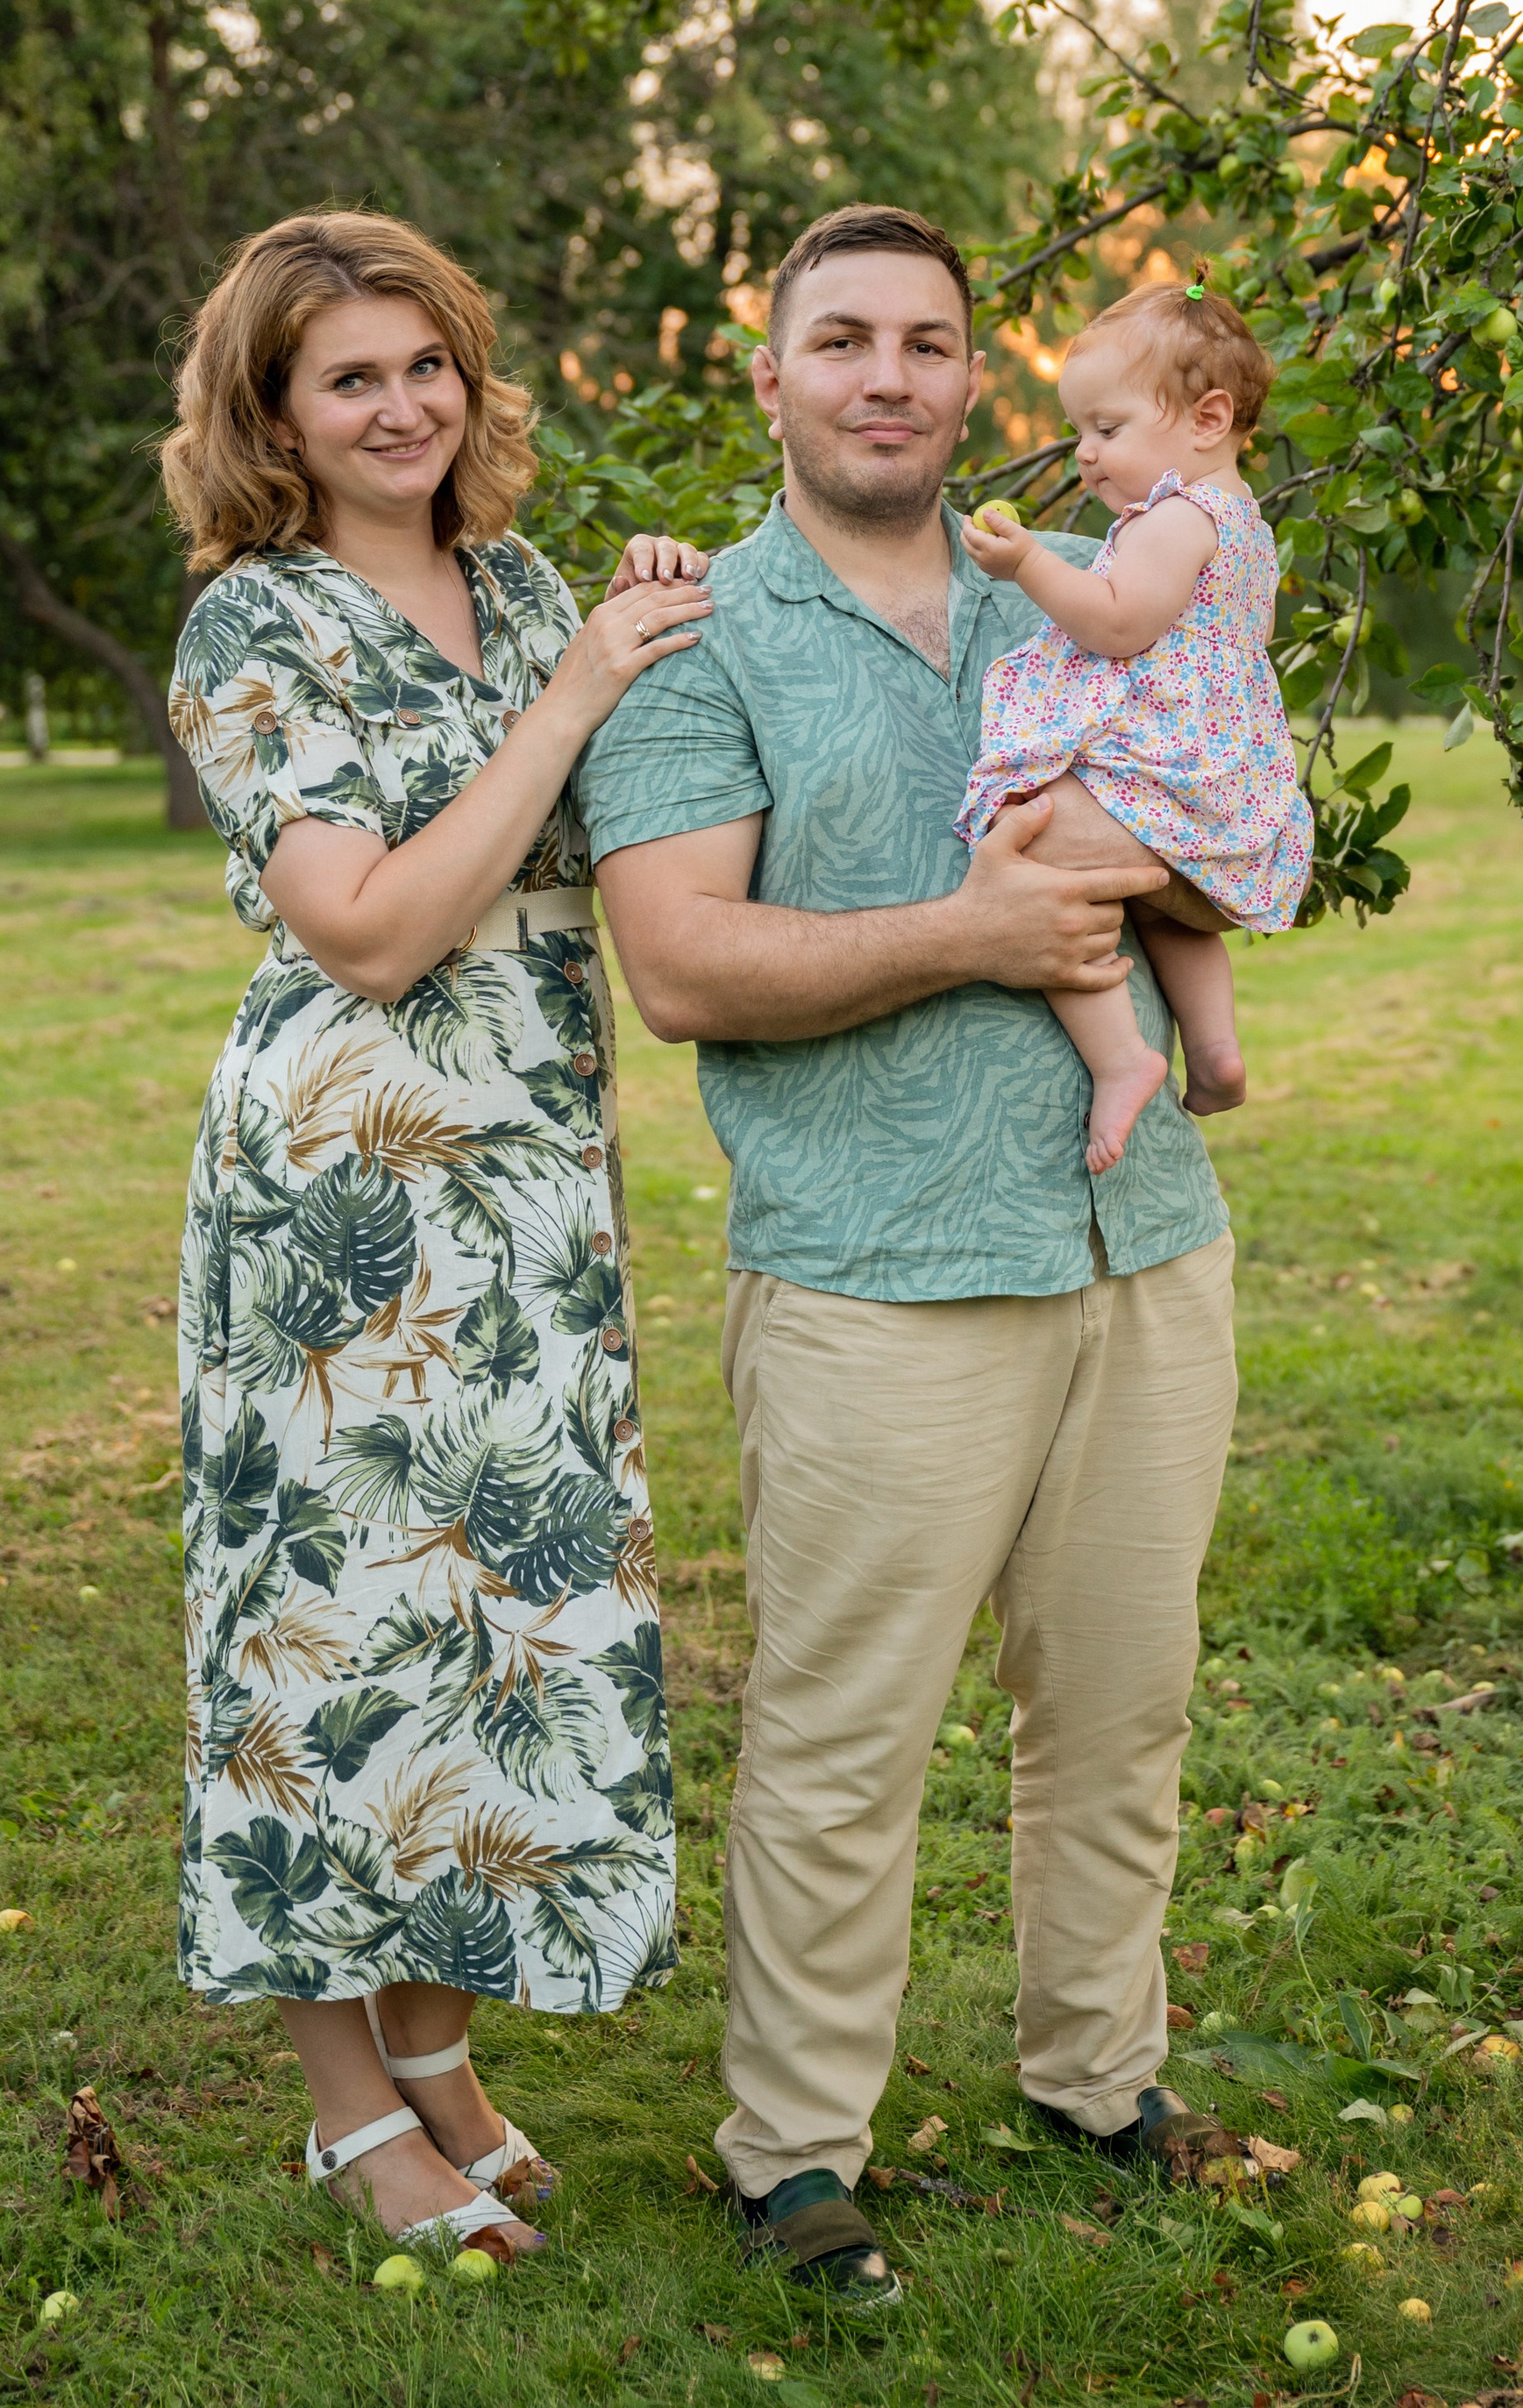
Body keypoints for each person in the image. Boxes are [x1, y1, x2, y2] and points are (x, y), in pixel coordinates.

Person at [578, 203, 1242, 2310]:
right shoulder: (694, 636)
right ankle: (792, 2146)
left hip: (1138, 1234)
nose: (887, 374)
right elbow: (679, 960)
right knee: (845, 1730)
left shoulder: (1085, 591)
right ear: (766, 377)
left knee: (1121, 1705)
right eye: (839, 338)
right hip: (875, 1266)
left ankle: (1094, 2072)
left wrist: (1172, 875)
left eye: (928, 342)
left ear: (976, 385)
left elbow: (1223, 799)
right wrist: (967, 929)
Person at [160, 210, 710, 2265]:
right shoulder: (253, 626)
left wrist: (647, 616)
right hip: (335, 1204)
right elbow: (374, 923)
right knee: (323, 1634)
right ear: (274, 414)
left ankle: (439, 2043)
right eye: (347, 377)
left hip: (529, 1187)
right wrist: (568, 696)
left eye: (426, 364)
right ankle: (339, 2100)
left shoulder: (533, 582)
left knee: (506, 1623)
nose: (399, 405)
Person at [955, 274, 1313, 1174]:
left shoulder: (1175, 520)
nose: (1084, 453)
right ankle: (1217, 1047)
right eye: (1081, 430)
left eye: (1106, 429)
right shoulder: (1245, 524)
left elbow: (1117, 623)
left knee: (1026, 832)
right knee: (1163, 905)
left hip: (1165, 761)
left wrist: (1029, 560)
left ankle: (1122, 1057)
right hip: (1214, 773)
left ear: (1205, 419)